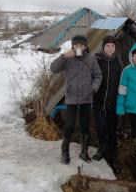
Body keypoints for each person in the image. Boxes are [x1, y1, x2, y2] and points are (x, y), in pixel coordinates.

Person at [50, 35, 102, 164]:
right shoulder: (67, 58)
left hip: (86, 97)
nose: (79, 47)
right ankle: (65, 152)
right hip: (71, 97)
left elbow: (98, 75)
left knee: (85, 126)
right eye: (76, 45)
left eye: (81, 45)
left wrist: (93, 88)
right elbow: (53, 68)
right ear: (73, 46)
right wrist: (63, 56)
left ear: (85, 46)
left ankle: (84, 152)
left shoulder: (91, 59)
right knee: (69, 126)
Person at [92, 35, 123, 174]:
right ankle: (101, 148)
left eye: (112, 46)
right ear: (103, 47)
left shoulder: (118, 62)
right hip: (98, 101)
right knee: (100, 127)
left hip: (113, 102)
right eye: (107, 46)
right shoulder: (97, 60)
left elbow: (122, 82)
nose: (110, 48)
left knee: (112, 129)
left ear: (115, 48)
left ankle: (113, 154)